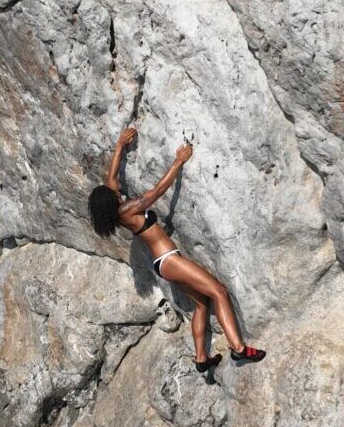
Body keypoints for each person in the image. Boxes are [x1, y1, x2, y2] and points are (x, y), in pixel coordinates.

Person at [89, 127, 266, 373]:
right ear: (111, 201)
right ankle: (238, 348)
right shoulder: (127, 210)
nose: (114, 189)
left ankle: (201, 358)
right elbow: (156, 192)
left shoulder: (115, 210)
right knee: (218, 291)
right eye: (112, 192)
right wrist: (178, 162)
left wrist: (120, 145)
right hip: (169, 260)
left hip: (164, 262)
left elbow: (112, 177)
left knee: (202, 304)